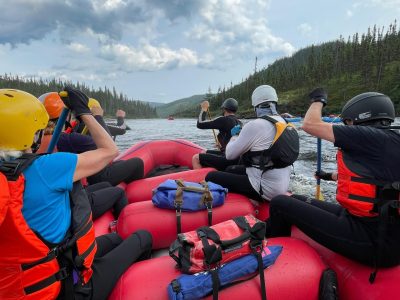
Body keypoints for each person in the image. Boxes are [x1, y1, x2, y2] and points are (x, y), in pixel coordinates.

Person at [0, 88, 152, 300]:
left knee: (115, 240)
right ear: (31, 134)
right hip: (66, 287)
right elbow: (110, 150)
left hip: (21, 283)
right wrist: (85, 112)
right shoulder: (48, 168)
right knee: (143, 237)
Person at [265, 88, 400, 279]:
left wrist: (318, 99)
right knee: (295, 198)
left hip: (374, 239)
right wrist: (328, 175)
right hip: (377, 228)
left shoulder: (370, 136)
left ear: (363, 119)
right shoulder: (390, 140)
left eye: (349, 122)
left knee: (280, 203)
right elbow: (374, 181)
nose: (348, 126)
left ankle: (270, 263)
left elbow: (310, 125)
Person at [205, 85, 293, 201]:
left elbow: (229, 155)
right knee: (231, 169)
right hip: (281, 185)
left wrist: (234, 135)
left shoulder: (255, 125)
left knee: (210, 176)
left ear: (255, 106)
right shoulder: (285, 123)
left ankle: (241, 204)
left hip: (264, 189)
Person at [37, 92, 144, 186]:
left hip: (80, 175)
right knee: (137, 162)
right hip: (96, 175)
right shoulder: (69, 136)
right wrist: (99, 118)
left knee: (120, 163)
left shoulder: (40, 137)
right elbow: (115, 140)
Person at [192, 98, 242, 170]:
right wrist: (221, 144)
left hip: (227, 159)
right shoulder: (239, 123)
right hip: (237, 158)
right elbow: (232, 137)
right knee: (204, 152)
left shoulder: (224, 120)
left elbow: (200, 124)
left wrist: (204, 109)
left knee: (196, 158)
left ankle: (200, 180)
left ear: (224, 109)